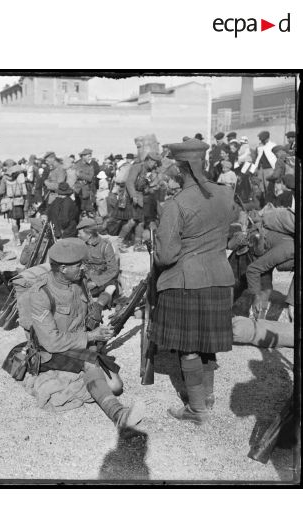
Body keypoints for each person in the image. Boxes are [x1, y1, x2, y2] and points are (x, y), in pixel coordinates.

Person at [151, 139, 237, 424]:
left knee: (188, 345)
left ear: (180, 169)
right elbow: (236, 229)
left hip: (186, 282)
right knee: (206, 342)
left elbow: (166, 256)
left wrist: (155, 242)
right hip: (221, 278)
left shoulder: (175, 205)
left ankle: (196, 409)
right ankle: (208, 398)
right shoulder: (225, 194)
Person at [28, 237, 145, 429]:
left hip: (79, 342)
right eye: (78, 265)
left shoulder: (79, 281)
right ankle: (118, 415)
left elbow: (88, 309)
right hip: (51, 350)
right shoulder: (41, 293)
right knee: (95, 367)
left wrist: (99, 318)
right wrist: (92, 337)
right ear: (63, 268)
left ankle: (92, 381)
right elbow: (51, 342)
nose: (83, 268)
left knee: (116, 386)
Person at [245, 206, 294, 319]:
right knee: (264, 290)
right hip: (260, 243)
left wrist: (292, 304)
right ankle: (255, 322)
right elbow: (253, 269)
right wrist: (256, 295)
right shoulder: (287, 250)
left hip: (275, 247)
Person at [118, 152, 161, 252]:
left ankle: (137, 245)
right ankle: (118, 243)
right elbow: (129, 182)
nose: (155, 165)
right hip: (130, 197)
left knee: (141, 222)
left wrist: (151, 188)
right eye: (154, 162)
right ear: (149, 160)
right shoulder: (137, 167)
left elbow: (144, 188)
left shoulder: (148, 171)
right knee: (132, 221)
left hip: (139, 198)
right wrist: (133, 196)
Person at [76, 217, 120, 300]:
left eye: (80, 234)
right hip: (87, 277)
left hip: (102, 279)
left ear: (89, 235)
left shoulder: (105, 246)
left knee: (110, 286)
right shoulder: (82, 245)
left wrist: (95, 282)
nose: (78, 235)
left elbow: (113, 270)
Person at [0, 164, 27, 245]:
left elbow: (1, 191)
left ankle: (17, 239)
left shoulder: (5, 178)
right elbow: (25, 190)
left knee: (13, 221)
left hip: (10, 202)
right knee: (18, 220)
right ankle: (16, 236)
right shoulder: (21, 176)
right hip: (20, 201)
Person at [254, 131, 277, 207]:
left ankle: (271, 205)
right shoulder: (259, 147)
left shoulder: (273, 145)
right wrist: (255, 169)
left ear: (267, 138)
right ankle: (264, 205)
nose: (261, 141)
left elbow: (275, 158)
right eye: (261, 139)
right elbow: (257, 158)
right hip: (261, 169)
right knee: (262, 188)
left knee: (269, 188)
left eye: (263, 139)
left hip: (270, 169)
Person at [74, 148, 96, 215]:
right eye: (88, 156)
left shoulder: (90, 166)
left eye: (90, 156)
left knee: (86, 208)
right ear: (83, 156)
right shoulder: (76, 165)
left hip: (85, 190)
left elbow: (90, 178)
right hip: (76, 190)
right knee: (76, 209)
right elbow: (73, 176)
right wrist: (84, 176)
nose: (90, 158)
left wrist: (80, 175)